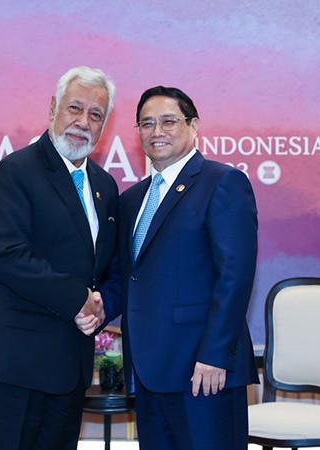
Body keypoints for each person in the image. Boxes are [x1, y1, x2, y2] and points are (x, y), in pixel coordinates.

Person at [0, 66, 118, 450]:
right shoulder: (16, 171)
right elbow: (6, 255)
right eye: (75, 108)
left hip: (70, 366)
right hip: (15, 364)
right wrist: (78, 299)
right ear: (53, 108)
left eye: (95, 115)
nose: (83, 122)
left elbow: (106, 267)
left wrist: (101, 307)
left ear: (104, 125)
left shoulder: (104, 186)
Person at [101, 86, 259, 449]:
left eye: (169, 121)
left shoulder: (223, 182)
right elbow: (127, 279)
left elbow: (233, 278)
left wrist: (215, 355)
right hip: (149, 373)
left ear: (194, 126)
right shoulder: (131, 201)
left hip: (203, 372)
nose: (157, 131)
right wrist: (95, 309)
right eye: (147, 123)